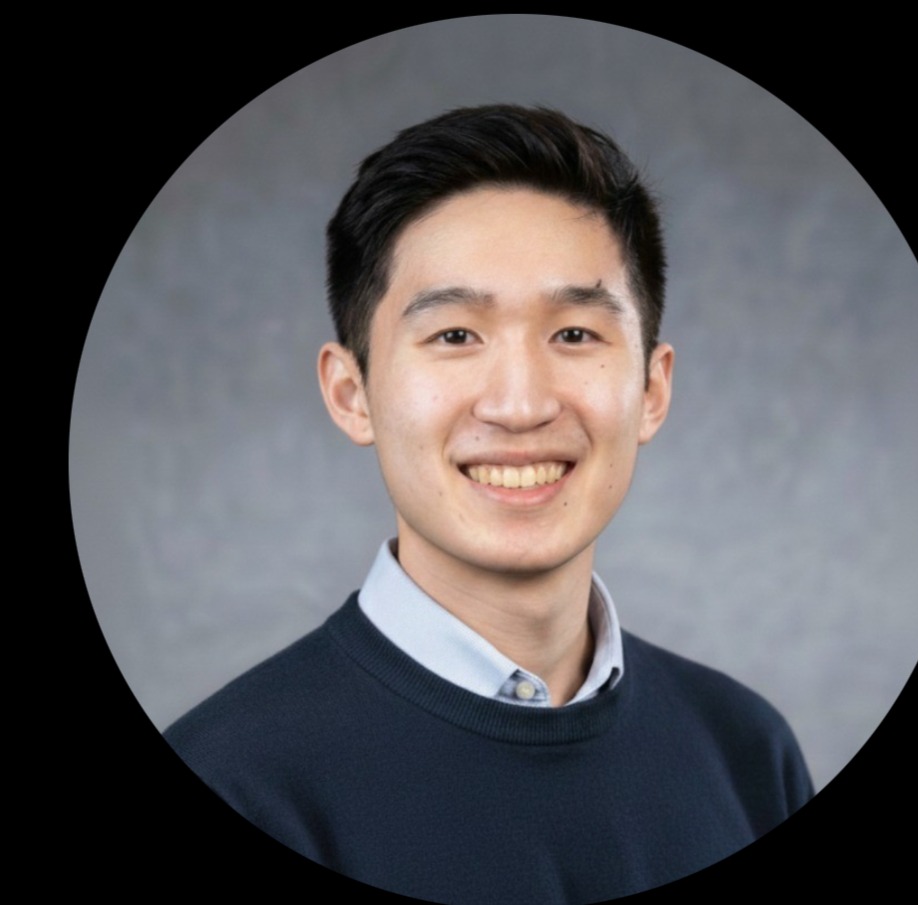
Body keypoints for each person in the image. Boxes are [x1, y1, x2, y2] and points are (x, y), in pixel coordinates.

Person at [164, 104, 814, 901]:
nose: (519, 405)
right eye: (454, 336)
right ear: (351, 392)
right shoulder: (235, 780)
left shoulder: (746, 754)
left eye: (573, 334)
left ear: (651, 389)